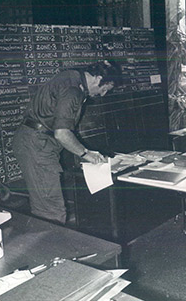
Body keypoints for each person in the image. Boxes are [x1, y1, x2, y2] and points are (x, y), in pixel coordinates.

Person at [12, 60, 121, 224]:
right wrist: (86, 153)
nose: (103, 94)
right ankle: (50, 248)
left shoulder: (72, 76)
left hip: (35, 141)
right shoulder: (73, 90)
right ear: (98, 78)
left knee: (47, 206)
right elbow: (62, 134)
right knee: (51, 211)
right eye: (104, 89)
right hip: (37, 144)